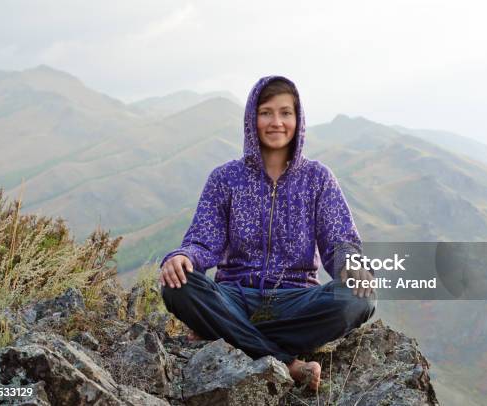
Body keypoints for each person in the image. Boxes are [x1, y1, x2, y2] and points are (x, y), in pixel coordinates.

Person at [159, 76, 375, 390]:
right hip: (235, 295)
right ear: (252, 119)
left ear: (298, 120)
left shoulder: (318, 178)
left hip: (296, 299)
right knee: (178, 286)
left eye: (286, 113)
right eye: (266, 113)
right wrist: (183, 256)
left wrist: (351, 264)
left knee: (359, 299)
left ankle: (228, 333)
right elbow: (204, 240)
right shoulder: (225, 178)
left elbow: (339, 239)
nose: (277, 122)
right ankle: (288, 363)